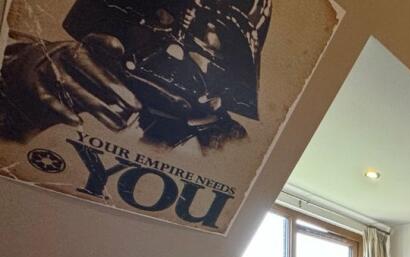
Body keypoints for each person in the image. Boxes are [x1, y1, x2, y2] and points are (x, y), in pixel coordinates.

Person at [0, 0, 271, 149]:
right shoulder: (55, 73)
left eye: (208, 38)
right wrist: (14, 94)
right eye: (159, 18)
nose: (175, 49)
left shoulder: (228, 144)